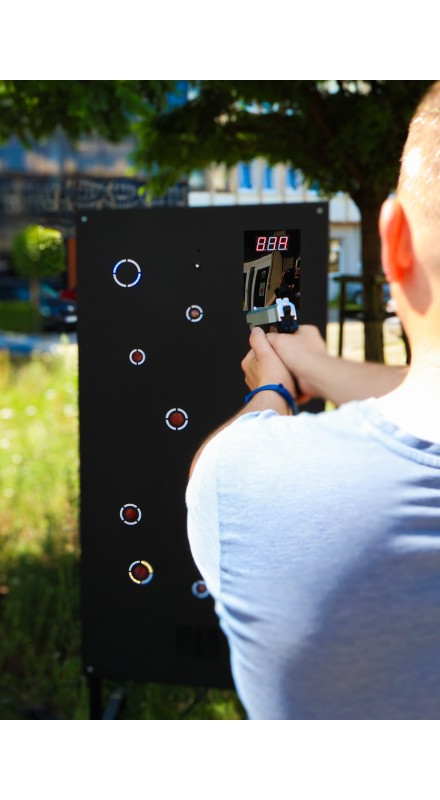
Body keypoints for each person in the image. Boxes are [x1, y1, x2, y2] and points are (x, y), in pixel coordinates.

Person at [187, 82, 440, 719]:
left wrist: (272, 389)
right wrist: (320, 368)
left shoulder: (242, 482)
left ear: (394, 241)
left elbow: (224, 461)